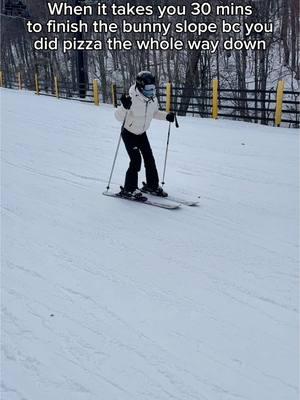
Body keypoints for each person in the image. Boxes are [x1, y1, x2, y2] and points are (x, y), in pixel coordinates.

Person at [115, 71, 175, 199]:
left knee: (149, 158)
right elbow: (118, 117)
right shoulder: (131, 98)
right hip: (129, 133)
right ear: (141, 87)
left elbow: (155, 113)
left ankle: (152, 185)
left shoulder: (152, 99)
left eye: (153, 88)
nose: (152, 91)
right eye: (149, 88)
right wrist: (124, 107)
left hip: (142, 133)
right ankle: (129, 189)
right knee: (136, 160)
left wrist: (167, 116)